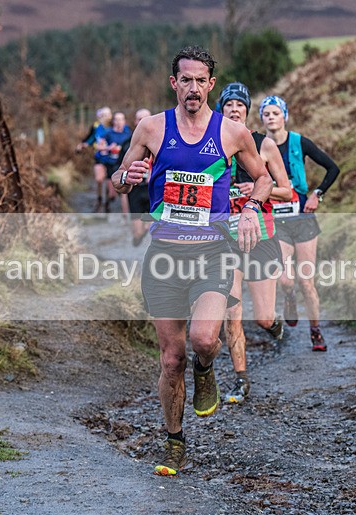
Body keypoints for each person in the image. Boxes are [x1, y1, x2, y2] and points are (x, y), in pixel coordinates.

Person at [111, 46, 272, 477]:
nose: (194, 88)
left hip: (212, 253)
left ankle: (206, 368)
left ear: (211, 85)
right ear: (174, 83)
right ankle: (174, 443)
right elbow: (119, 179)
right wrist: (127, 177)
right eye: (186, 80)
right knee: (170, 359)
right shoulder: (151, 128)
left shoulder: (233, 132)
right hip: (165, 255)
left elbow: (263, 178)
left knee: (203, 339)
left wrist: (251, 209)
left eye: (201, 80)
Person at [216, 82, 293, 404]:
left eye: (240, 105)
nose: (235, 109)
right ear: (221, 110)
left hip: (260, 236)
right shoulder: (211, 145)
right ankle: (241, 379)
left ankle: (276, 325)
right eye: (229, 105)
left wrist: (260, 192)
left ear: (247, 111)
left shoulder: (264, 145)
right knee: (232, 313)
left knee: (262, 317)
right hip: (225, 240)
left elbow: (287, 191)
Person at [259, 95, 340, 352]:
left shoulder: (299, 142)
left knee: (306, 281)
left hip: (302, 217)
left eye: (275, 113)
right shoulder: (259, 146)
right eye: (266, 114)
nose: (271, 117)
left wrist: (317, 194)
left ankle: (315, 331)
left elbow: (332, 168)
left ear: (285, 116)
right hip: (277, 220)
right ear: (261, 119)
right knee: (285, 281)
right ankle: (289, 297)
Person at [115, 108, 152, 245]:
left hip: (152, 189)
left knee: (152, 226)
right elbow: (119, 170)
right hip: (135, 190)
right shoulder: (127, 144)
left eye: (145, 118)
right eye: (139, 119)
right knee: (137, 233)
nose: (142, 121)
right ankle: (141, 233)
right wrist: (123, 195)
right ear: (135, 122)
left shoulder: (160, 142)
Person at [76, 106, 113, 212]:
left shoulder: (113, 126)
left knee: (109, 181)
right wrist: (83, 144)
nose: (105, 117)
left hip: (112, 158)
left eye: (107, 115)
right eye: (103, 115)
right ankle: (99, 200)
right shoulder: (96, 127)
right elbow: (91, 138)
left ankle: (108, 201)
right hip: (99, 157)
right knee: (99, 179)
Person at [97, 112, 132, 212]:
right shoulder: (108, 133)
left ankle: (125, 216)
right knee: (112, 194)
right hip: (111, 164)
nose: (118, 122)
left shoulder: (128, 134)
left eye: (121, 119)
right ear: (113, 121)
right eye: (116, 119)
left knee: (124, 191)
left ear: (124, 121)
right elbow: (99, 147)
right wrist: (109, 148)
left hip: (124, 164)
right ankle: (107, 202)